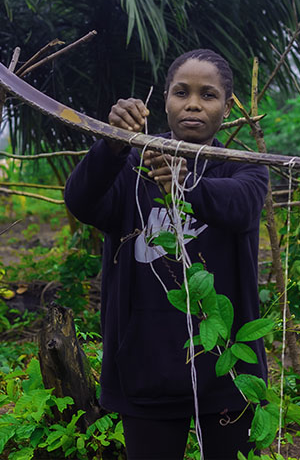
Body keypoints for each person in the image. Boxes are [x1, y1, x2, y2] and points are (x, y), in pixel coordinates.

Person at [64, 49, 269, 460]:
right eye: (181, 92)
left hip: (226, 372)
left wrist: (186, 182)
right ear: (166, 101)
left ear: (227, 108)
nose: (193, 103)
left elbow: (239, 206)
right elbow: (81, 201)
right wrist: (113, 143)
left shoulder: (244, 169)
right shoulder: (133, 165)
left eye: (208, 95)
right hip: (144, 367)